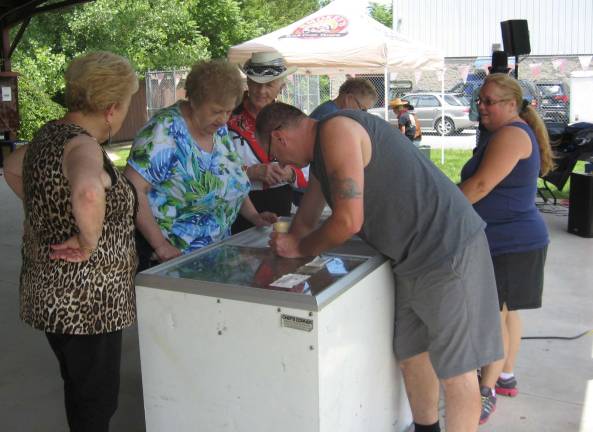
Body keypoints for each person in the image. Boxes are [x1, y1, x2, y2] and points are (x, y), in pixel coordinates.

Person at [256, 102, 503, 432]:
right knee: (413, 355)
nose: (278, 163)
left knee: (456, 370)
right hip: (410, 258)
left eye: (272, 154)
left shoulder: (336, 131)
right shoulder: (320, 156)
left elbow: (347, 221)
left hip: (448, 249)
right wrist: (285, 249)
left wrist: (300, 247)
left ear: (280, 136)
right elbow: (306, 220)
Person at [3, 51, 139, 431]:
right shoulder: (83, 146)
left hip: (50, 297)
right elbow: (88, 193)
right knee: (96, 403)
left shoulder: (49, 135)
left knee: (79, 391)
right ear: (111, 108)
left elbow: (12, 168)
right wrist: (88, 241)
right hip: (88, 305)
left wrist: (41, 209)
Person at [459, 73, 553, 424]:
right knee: (508, 312)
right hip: (512, 240)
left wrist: (441, 209)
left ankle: (486, 390)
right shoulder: (504, 133)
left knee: (493, 315)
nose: (481, 106)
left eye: (489, 101)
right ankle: (506, 374)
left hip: (511, 241)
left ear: (512, 104)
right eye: (480, 100)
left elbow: (480, 185)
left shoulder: (512, 134)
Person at [125, 59, 276, 271]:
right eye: (216, 111)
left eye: (229, 111)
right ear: (194, 100)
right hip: (173, 260)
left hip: (217, 255)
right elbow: (132, 189)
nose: (224, 119)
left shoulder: (217, 129)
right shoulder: (163, 132)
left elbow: (230, 177)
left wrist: (254, 216)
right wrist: (160, 245)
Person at [228, 51, 307, 233]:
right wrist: (249, 172)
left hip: (282, 208)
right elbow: (212, 166)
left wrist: (290, 173)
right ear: (247, 82)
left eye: (269, 85)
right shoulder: (227, 117)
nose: (261, 91)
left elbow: (310, 168)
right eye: (255, 84)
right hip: (238, 209)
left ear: (281, 87)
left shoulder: (292, 119)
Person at [469, 52, 512, 148]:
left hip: (486, 133)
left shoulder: (480, 91)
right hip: (508, 133)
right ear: (507, 74)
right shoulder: (513, 92)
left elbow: (473, 116)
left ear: (491, 72)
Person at [309, 77, 378, 120]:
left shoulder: (332, 110)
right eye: (363, 109)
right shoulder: (331, 115)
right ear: (349, 99)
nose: (363, 114)